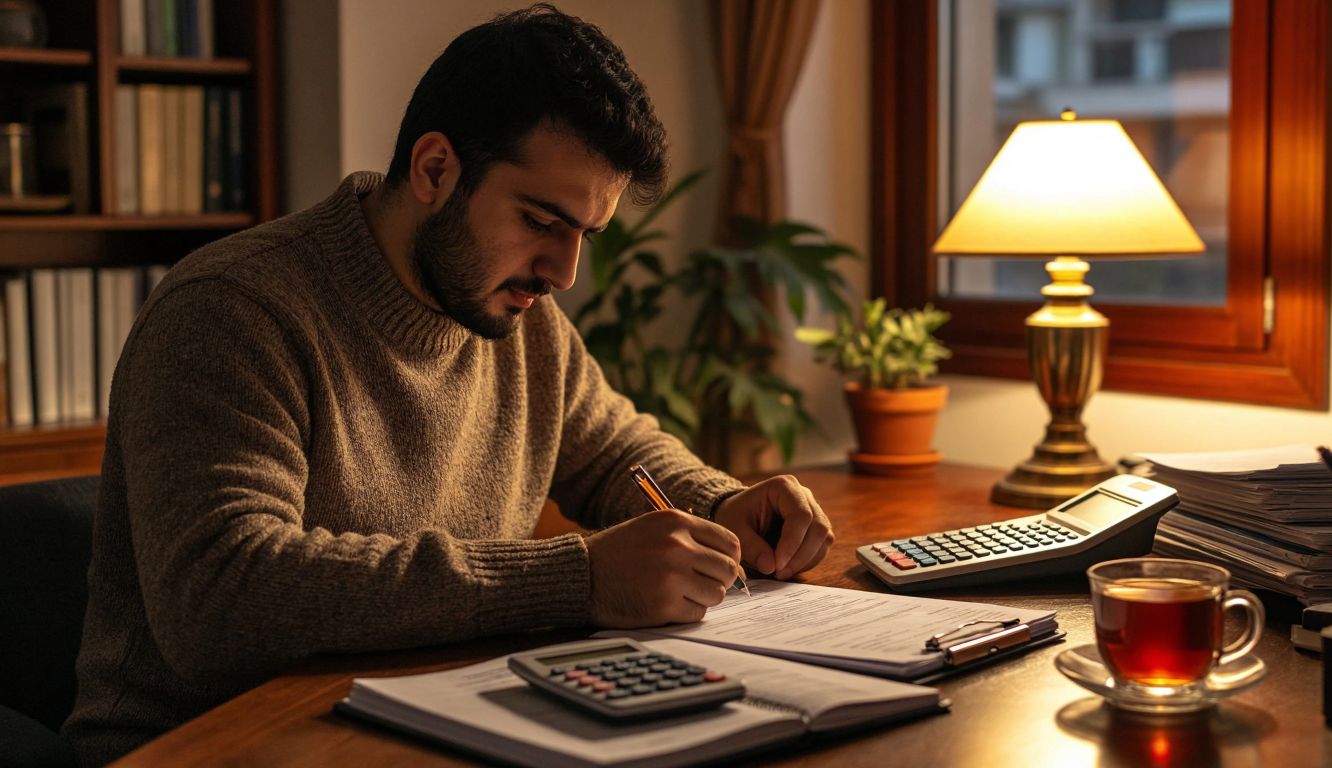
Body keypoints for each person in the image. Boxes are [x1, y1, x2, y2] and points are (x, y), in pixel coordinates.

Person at [61, 5, 834, 765]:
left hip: (419, 724)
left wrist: (718, 504)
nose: (563, 273)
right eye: (540, 220)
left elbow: (614, 452)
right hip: (201, 746)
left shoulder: (519, 319)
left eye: (584, 236)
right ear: (436, 169)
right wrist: (578, 578)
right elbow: (222, 598)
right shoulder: (233, 311)